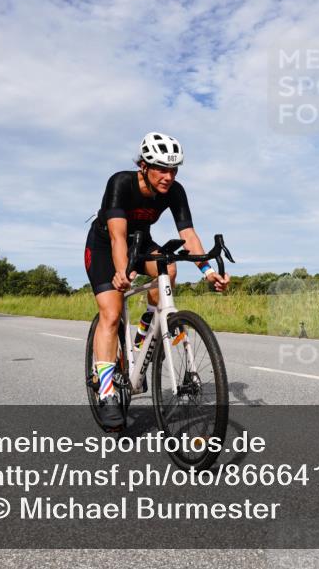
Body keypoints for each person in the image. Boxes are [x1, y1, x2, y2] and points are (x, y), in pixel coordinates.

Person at [84, 132, 229, 430]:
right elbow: (117, 237)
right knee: (111, 314)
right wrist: (122, 271)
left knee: (169, 269)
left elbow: (188, 235)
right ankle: (107, 392)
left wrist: (207, 272)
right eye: (162, 169)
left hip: (140, 242)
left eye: (173, 169)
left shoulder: (175, 191)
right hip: (104, 246)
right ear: (143, 166)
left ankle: (145, 331)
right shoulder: (121, 183)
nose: (168, 176)